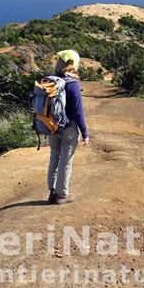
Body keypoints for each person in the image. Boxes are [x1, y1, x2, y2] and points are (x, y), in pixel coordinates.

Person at [47, 49, 89, 205]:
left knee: (54, 157)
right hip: (68, 129)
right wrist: (85, 133)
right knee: (66, 161)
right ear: (73, 65)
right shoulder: (73, 85)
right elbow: (78, 112)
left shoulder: (49, 80)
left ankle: (52, 192)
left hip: (51, 127)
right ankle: (62, 195)